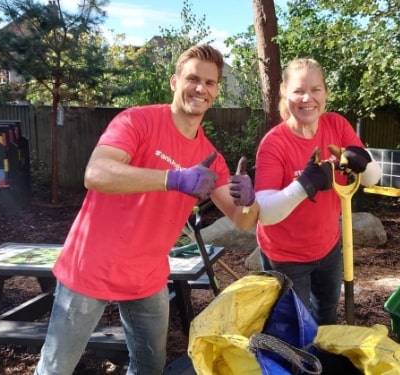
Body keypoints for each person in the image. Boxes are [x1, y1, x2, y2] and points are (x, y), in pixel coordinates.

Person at [34, 44, 258, 375]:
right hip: (91, 265)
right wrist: (173, 178)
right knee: (56, 368)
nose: (201, 88)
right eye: (193, 78)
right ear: (174, 81)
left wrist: (248, 199)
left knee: (149, 367)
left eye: (210, 83)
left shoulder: (212, 158)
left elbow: (243, 221)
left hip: (148, 276)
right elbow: (96, 174)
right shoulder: (137, 121)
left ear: (216, 91)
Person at [254, 58, 381, 325]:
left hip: (328, 246)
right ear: (285, 94)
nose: (307, 98)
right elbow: (264, 213)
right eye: (298, 91)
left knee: (326, 314)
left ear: (325, 93)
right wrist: (305, 185)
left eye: (316, 89)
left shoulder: (336, 125)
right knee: (294, 326)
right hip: (285, 257)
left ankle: (324, 361)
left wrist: (364, 162)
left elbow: (372, 178)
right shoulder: (274, 144)